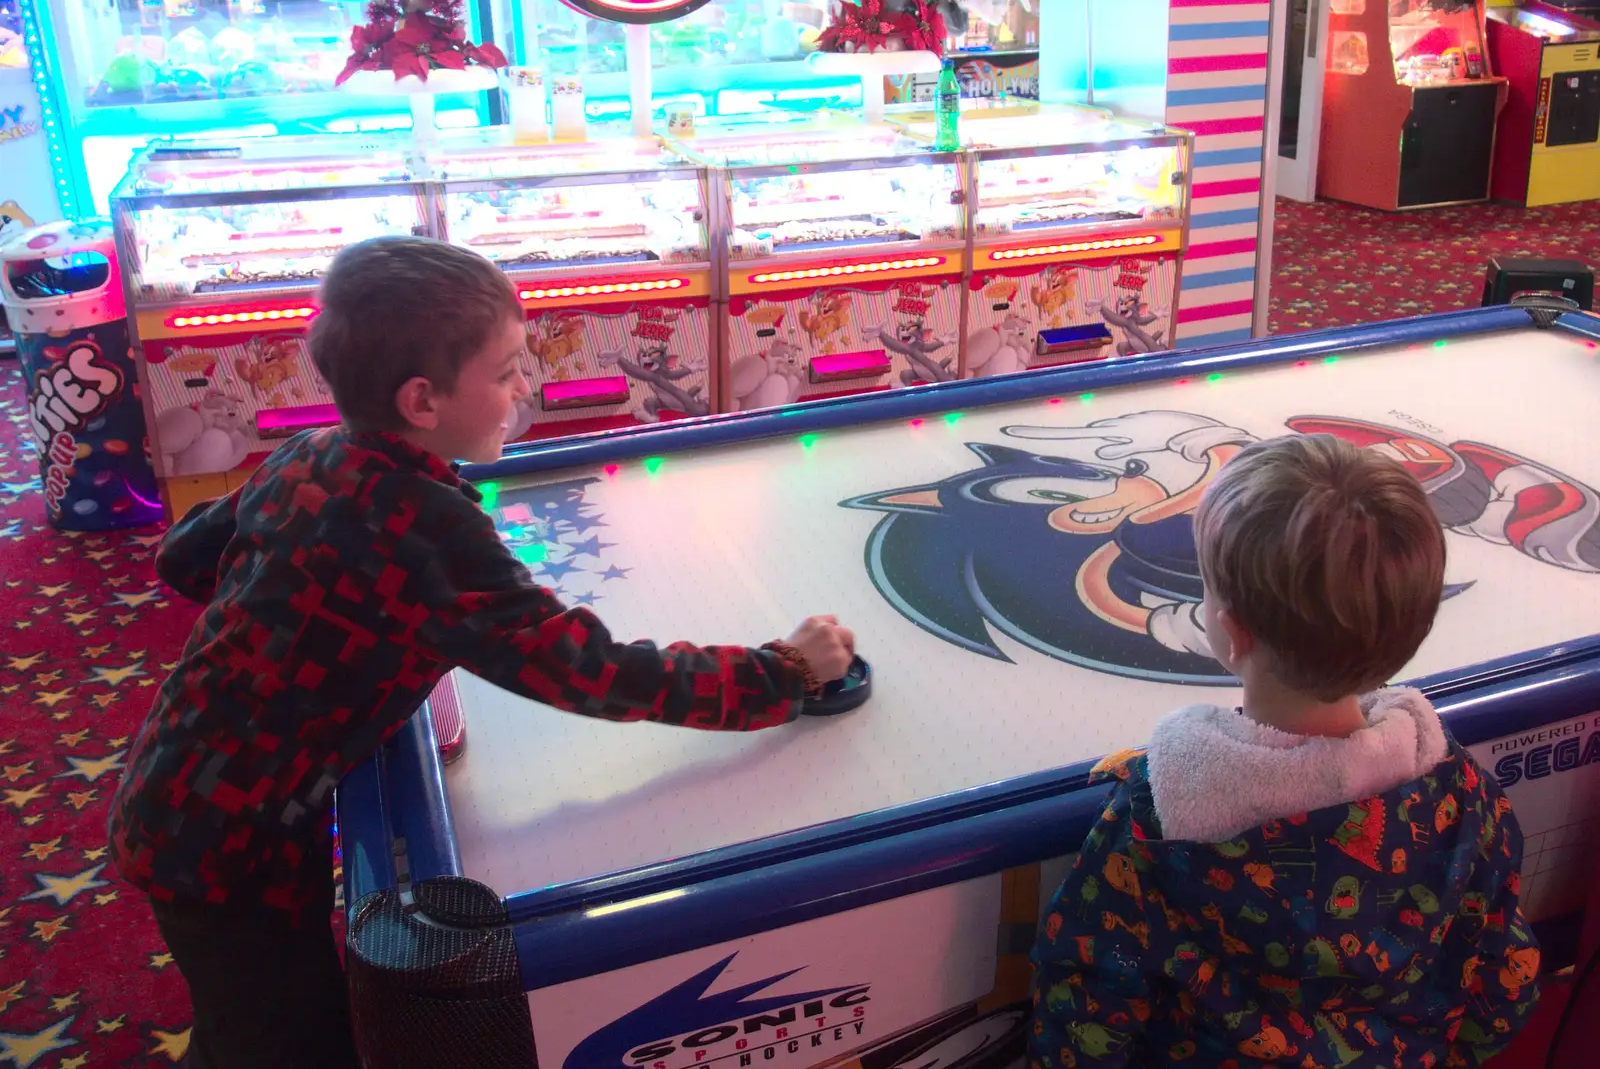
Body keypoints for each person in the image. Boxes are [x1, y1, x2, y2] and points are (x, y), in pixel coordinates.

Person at [108, 237, 857, 1069]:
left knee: (287, 1008)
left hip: (189, 784)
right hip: (226, 841)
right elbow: (590, 670)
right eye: (505, 372)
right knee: (281, 1041)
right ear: (423, 400)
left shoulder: (312, 450)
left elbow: (182, 558)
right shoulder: (425, 528)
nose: (523, 387)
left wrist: (319, 639)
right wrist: (781, 672)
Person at [1029, 433, 1540, 1068]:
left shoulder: (1154, 822)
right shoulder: (1463, 798)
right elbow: (1503, 981)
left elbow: (1084, 1016)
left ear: (1230, 631)